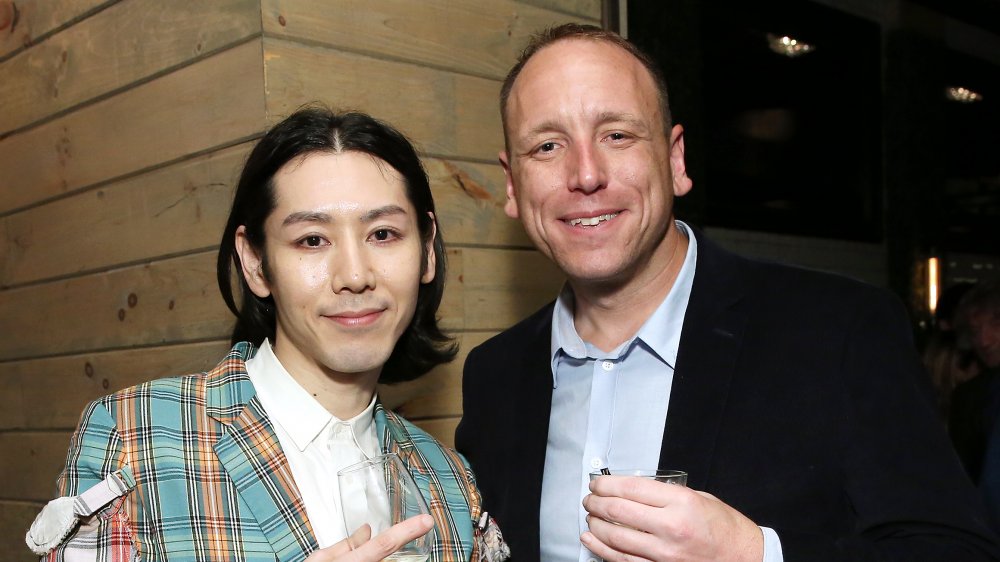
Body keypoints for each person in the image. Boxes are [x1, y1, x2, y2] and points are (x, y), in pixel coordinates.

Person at [455, 23, 999, 562]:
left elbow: (954, 549)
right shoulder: (495, 377)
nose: (586, 174)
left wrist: (754, 554)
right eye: (547, 146)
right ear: (512, 185)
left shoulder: (838, 332)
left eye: (617, 135)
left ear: (675, 161)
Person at [28, 108, 506, 562]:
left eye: (383, 234)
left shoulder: (449, 481)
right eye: (312, 240)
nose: (355, 274)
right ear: (255, 262)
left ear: (426, 253)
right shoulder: (137, 436)